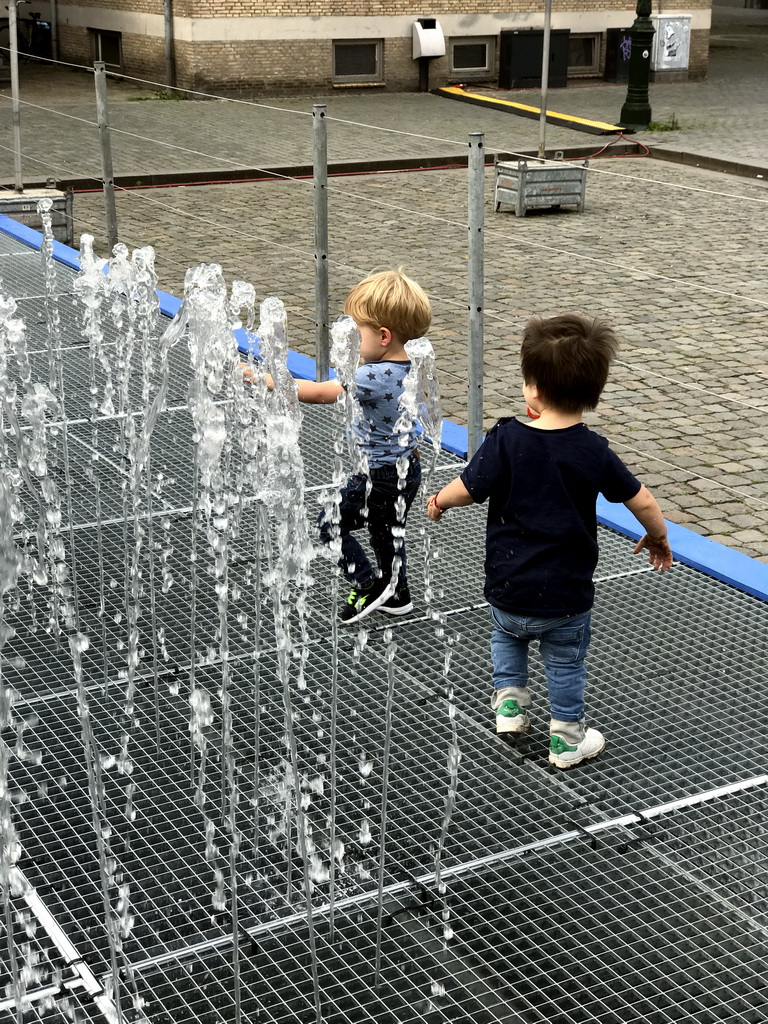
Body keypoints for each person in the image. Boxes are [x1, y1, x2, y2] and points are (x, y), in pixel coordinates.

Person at [426, 313, 672, 769]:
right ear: (593, 394)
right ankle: (566, 740)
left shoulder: (505, 439)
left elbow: (468, 488)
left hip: (508, 583)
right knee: (564, 664)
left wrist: (440, 499)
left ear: (533, 389)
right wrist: (657, 537)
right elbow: (642, 500)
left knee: (506, 635)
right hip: (565, 595)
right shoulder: (593, 450)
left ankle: (510, 706)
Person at [247, 269, 431, 625]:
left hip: (379, 475)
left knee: (329, 526)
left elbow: (318, 394)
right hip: (404, 468)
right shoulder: (408, 367)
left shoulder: (370, 377)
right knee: (386, 533)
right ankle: (398, 592)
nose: (350, 341)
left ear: (383, 336)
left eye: (356, 332)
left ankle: (367, 585)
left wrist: (262, 378)